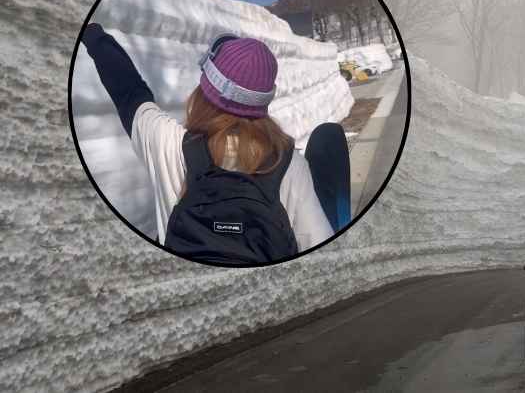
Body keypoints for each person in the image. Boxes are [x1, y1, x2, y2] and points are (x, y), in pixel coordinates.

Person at [80, 24, 334, 264]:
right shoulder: (288, 162)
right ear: (264, 100)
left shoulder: (170, 145)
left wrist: (93, 35)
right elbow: (318, 244)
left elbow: (128, 91)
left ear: (205, 90)